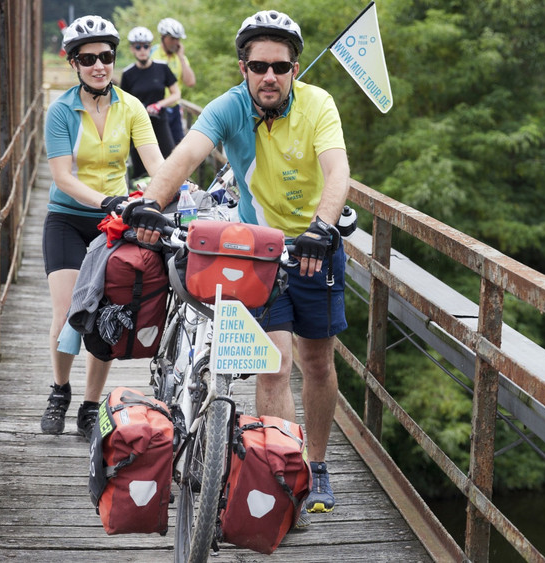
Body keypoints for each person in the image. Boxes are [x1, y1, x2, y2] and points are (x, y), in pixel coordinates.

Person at [126, 10, 349, 514]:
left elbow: (338, 169)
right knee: (275, 363)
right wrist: (150, 203)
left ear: (294, 68)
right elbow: (186, 155)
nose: (269, 76)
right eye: (258, 66)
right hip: (260, 252)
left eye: (280, 66)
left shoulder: (318, 105)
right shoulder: (229, 108)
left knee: (317, 362)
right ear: (243, 67)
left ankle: (317, 464)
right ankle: (280, 474)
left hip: (314, 247)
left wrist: (322, 227)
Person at [41, 15, 164, 440]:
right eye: (89, 58)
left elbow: (157, 166)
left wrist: (175, 191)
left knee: (104, 317)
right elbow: (62, 177)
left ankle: (90, 406)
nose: (99, 66)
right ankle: (60, 391)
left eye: (107, 57)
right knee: (66, 314)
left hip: (112, 224)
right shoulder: (60, 111)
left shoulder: (130, 107)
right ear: (73, 62)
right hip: (67, 218)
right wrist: (108, 200)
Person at [120, 26, 180, 182]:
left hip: (160, 120)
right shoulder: (128, 73)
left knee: (169, 158)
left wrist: (159, 104)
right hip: (137, 124)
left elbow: (176, 94)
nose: (142, 50)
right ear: (132, 49)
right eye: (138, 46)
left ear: (150, 47)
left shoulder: (162, 68)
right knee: (140, 166)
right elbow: (123, 103)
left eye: (146, 46)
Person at [151, 17, 195, 144]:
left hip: (174, 108)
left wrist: (181, 57)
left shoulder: (180, 57)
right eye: (172, 38)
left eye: (178, 39)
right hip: (156, 108)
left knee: (177, 147)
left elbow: (190, 82)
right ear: (163, 37)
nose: (175, 42)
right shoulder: (152, 54)